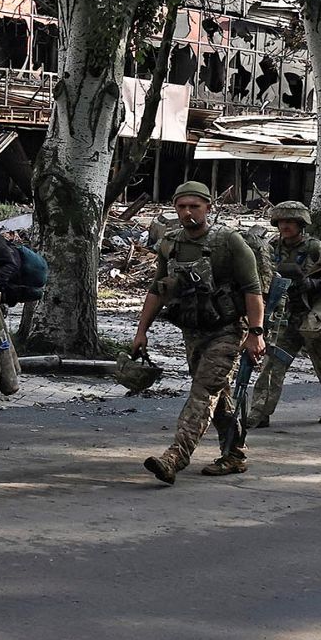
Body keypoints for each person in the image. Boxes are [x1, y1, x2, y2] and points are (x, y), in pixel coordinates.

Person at [132, 181, 266, 484]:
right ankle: (234, 455)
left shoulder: (229, 242)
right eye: (181, 206)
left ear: (208, 207)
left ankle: (175, 457)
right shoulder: (171, 243)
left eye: (195, 206)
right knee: (218, 395)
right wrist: (142, 331)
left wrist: (256, 333)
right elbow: (157, 289)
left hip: (228, 331)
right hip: (193, 331)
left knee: (204, 392)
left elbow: (252, 290)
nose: (188, 212)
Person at [247, 201, 321, 426]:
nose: (285, 226)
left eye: (291, 222)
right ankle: (259, 413)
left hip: (311, 315)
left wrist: (315, 284)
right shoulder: (271, 246)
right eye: (282, 222)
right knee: (271, 365)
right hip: (284, 317)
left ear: (301, 224)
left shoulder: (315, 248)